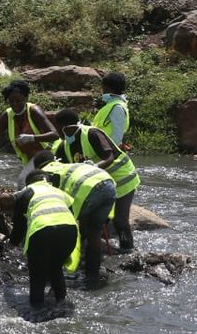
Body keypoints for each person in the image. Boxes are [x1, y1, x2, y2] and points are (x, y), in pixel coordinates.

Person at [53, 108, 141, 254]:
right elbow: (58, 167)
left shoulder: (92, 133)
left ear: (65, 128)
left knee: (120, 220)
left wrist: (94, 167)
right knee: (89, 221)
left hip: (122, 179)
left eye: (57, 128)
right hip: (99, 185)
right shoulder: (64, 145)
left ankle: (128, 250)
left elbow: (109, 157)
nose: (56, 132)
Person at [31, 150, 116, 289]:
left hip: (88, 190)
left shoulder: (45, 174)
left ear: (37, 167)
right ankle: (92, 277)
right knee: (94, 235)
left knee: (66, 230)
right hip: (108, 183)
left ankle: (60, 273)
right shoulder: (64, 165)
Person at [9, 172, 79, 312]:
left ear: (29, 183)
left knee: (37, 274)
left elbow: (18, 226)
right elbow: (72, 215)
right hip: (70, 230)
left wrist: (12, 244)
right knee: (56, 268)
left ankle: (37, 310)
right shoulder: (60, 192)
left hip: (42, 230)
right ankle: (61, 303)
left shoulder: (26, 193)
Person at [0, 80, 57, 166]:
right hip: (31, 161)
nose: (15, 104)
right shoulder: (7, 115)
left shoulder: (34, 111)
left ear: (26, 98)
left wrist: (32, 138)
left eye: (18, 101)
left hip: (50, 155)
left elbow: (54, 134)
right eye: (11, 101)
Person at [93, 71, 130, 147]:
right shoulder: (111, 105)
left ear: (109, 89)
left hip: (106, 150)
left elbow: (117, 136)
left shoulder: (117, 107)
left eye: (104, 89)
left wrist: (108, 151)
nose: (103, 92)